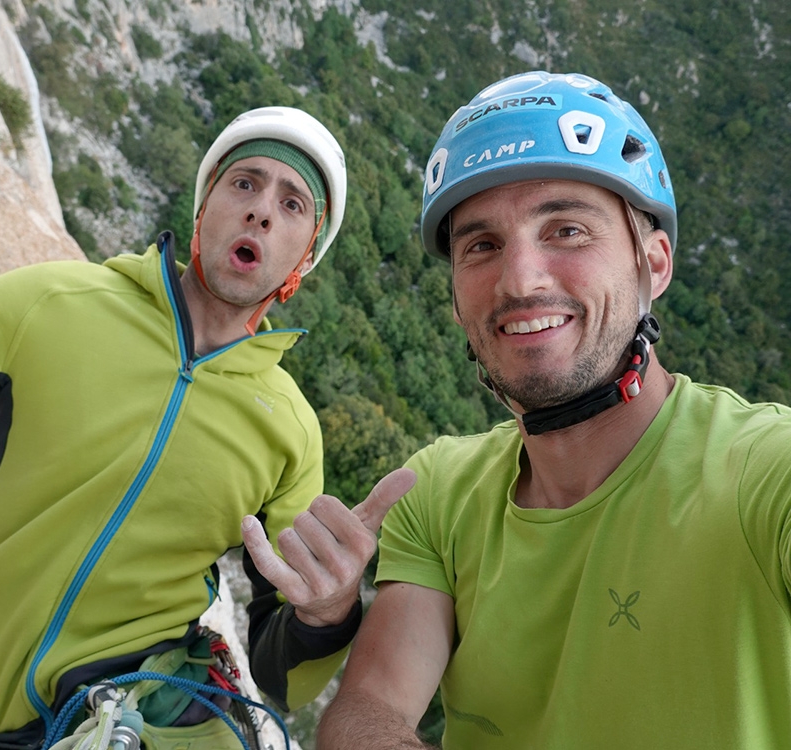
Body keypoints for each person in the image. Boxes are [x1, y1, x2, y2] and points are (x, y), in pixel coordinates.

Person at [0, 105, 415, 749]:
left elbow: (279, 676)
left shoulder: (290, 433)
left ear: (302, 259)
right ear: (203, 211)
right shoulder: (52, 304)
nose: (261, 210)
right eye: (245, 183)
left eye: (293, 205)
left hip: (116, 723)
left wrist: (328, 614)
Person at [317, 71, 791, 749]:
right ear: (455, 299)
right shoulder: (437, 493)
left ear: (654, 264)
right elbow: (369, 710)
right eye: (481, 246)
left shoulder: (764, 474)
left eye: (566, 229)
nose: (520, 279)